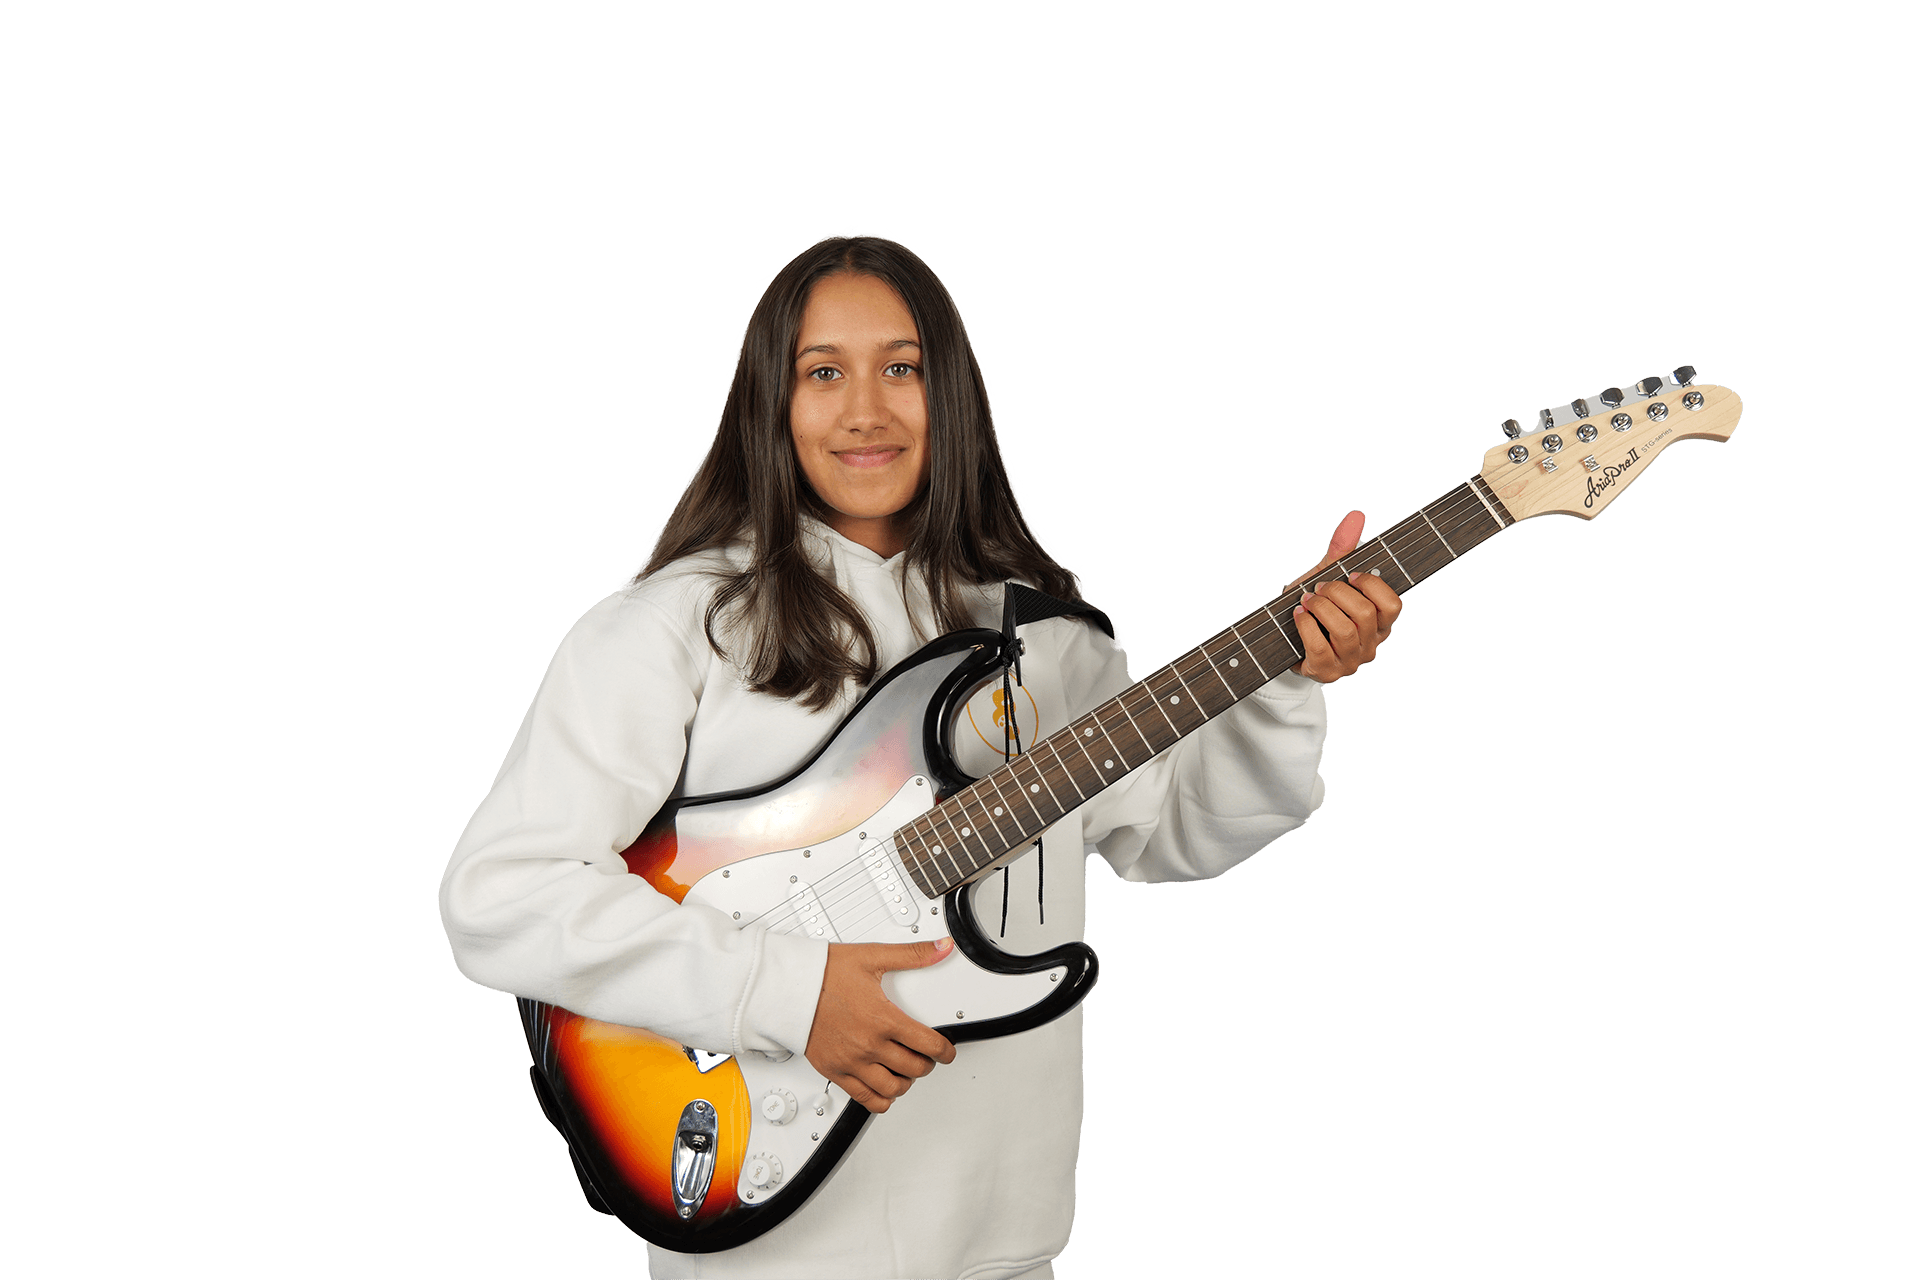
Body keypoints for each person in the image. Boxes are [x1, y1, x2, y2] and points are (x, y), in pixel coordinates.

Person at [439, 231, 1402, 1279]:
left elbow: (1181, 831)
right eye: (822, 373)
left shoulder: (1056, 644)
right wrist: (783, 991)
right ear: (770, 405)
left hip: (1006, 1248)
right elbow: (503, 892)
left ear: (956, 396)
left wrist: (1289, 676)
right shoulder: (673, 627)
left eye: (903, 367)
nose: (866, 409)